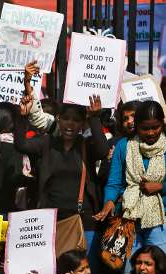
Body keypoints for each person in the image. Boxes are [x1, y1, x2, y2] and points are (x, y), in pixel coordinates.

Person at [14, 94, 109, 254]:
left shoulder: (86, 145)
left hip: (83, 221)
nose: (70, 124)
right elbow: (21, 145)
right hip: (51, 221)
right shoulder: (47, 142)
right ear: (58, 119)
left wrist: (94, 118)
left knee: (83, 273)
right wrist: (23, 117)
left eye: (76, 120)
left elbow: (103, 150)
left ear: (82, 124)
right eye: (66, 118)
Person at [95, 101, 166, 268]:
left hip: (160, 222)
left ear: (162, 124)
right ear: (137, 126)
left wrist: (161, 187)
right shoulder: (123, 146)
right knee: (130, 273)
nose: (150, 133)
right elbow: (114, 182)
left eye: (155, 127)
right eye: (145, 128)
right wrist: (109, 201)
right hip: (129, 221)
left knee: (159, 271)